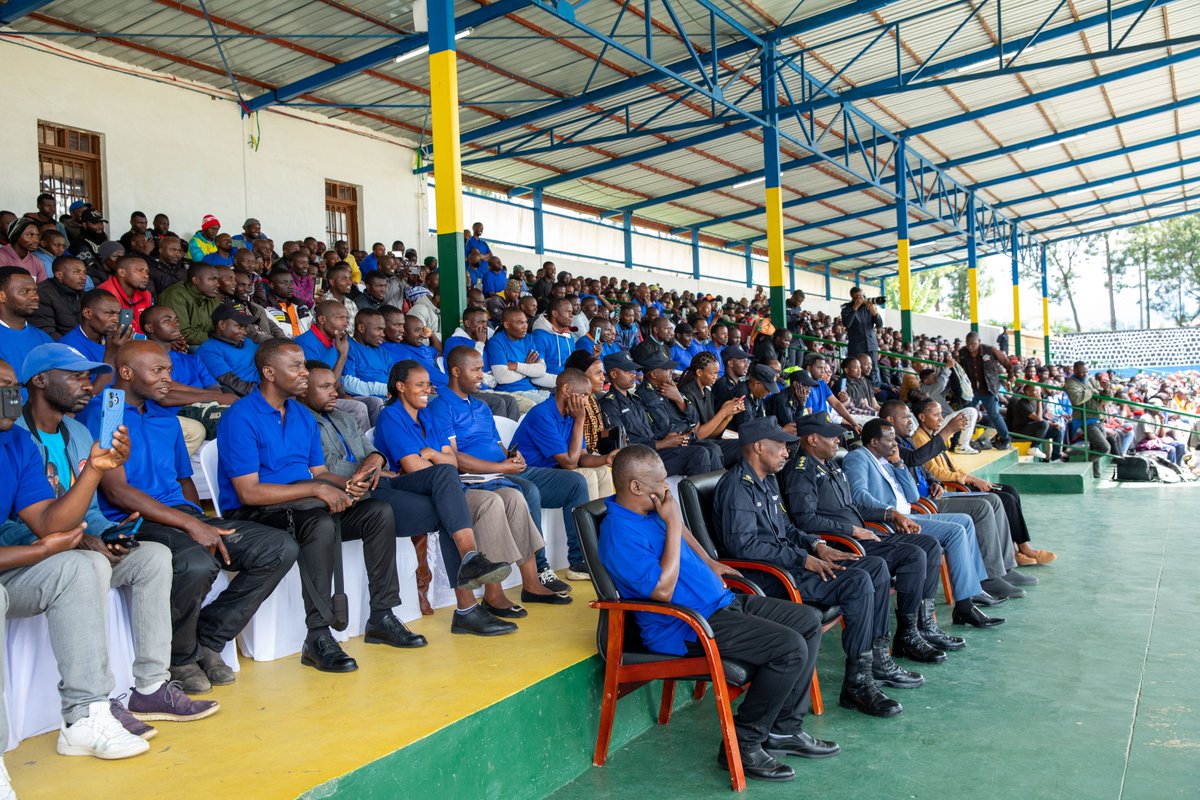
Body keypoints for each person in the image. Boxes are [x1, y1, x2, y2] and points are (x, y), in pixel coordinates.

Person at [9, 343, 218, 736]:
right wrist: (81, 540)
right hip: (33, 557)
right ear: (39, 381)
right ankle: (90, 707)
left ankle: (152, 686)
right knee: (84, 563)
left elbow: (88, 509)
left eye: (88, 375)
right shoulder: (16, 436)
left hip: (75, 541)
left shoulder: (77, 430)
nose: (87, 385)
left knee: (154, 556)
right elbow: (17, 520)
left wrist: (106, 533)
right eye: (75, 376)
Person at [600, 445, 832, 782]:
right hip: (685, 627)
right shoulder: (619, 532)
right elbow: (661, 591)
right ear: (636, 487)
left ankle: (784, 729)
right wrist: (672, 522)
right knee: (789, 648)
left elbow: (682, 532)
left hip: (720, 603)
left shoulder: (652, 511)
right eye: (661, 481)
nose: (667, 487)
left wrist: (709, 562)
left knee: (807, 620)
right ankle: (744, 743)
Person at [216, 340, 422, 673]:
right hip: (258, 513)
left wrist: (351, 483)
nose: (304, 373)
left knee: (377, 512)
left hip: (304, 502)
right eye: (295, 366)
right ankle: (318, 635)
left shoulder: (300, 414)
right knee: (318, 521)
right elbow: (248, 492)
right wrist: (317, 489)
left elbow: (320, 473)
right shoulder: (240, 416)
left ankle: (381, 615)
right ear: (269, 373)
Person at [0, 357, 153, 774]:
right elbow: (44, 539)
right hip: (15, 560)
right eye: (1, 386)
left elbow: (49, 521)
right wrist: (41, 550)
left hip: (14, 568)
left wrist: (95, 470)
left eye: (11, 385)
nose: (9, 396)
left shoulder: (15, 442)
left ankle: (84, 716)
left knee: (84, 566)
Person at [713, 417, 919, 717]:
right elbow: (745, 548)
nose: (786, 452)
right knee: (858, 582)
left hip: (791, 564)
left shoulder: (767, 479)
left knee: (873, 567)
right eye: (781, 446)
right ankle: (858, 684)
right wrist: (803, 559)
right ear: (758, 447)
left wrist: (816, 545)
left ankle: (877, 658)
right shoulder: (737, 487)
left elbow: (787, 528)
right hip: (769, 578)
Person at [298, 359, 515, 632]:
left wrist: (375, 463)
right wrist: (369, 469)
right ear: (304, 390)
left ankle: (469, 578)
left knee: (445, 484)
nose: (334, 391)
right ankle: (468, 599)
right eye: (325, 386)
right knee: (445, 503)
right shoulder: (304, 422)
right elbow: (326, 468)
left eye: (334, 385)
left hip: (384, 482)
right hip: (355, 493)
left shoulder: (344, 417)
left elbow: (374, 454)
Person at [375, 361, 570, 619]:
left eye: (428, 384)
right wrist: (438, 460)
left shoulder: (428, 415)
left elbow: (451, 460)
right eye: (419, 385)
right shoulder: (391, 416)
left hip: (448, 484)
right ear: (400, 386)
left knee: (514, 496)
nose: (426, 390)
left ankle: (531, 582)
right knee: (491, 502)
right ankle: (494, 592)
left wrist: (432, 454)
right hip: (416, 491)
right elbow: (413, 467)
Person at [783, 413, 959, 640]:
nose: (838, 441)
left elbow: (853, 505)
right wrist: (853, 531)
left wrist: (891, 514)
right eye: (831, 436)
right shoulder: (801, 470)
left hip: (861, 536)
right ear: (812, 440)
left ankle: (922, 625)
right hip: (841, 544)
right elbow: (805, 520)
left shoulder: (831, 467)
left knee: (929, 544)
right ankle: (907, 636)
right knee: (913, 555)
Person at [429, 347, 589, 587]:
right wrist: (501, 466)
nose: (482, 375)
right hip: (478, 477)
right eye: (476, 370)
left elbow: (499, 446)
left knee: (576, 482)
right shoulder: (441, 406)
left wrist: (514, 458)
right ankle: (541, 569)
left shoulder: (482, 407)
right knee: (529, 490)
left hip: (504, 470)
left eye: (481, 369)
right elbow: (454, 457)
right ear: (455, 371)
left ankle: (578, 560)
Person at [842, 419, 998, 618]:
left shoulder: (887, 461)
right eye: (890, 439)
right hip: (890, 522)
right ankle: (965, 605)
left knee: (965, 521)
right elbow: (859, 495)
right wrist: (891, 512)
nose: (894, 444)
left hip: (910, 514)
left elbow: (913, 496)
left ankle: (974, 589)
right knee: (955, 530)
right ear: (873, 442)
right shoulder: (858, 458)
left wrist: (899, 463)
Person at [879, 399, 1033, 591]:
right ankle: (989, 577)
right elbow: (913, 459)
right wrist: (948, 431)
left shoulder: (906, 439)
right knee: (983, 506)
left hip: (936, 494)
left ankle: (1006, 568)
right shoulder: (888, 444)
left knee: (995, 500)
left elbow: (924, 469)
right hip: (924, 504)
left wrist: (935, 482)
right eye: (905, 418)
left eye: (910, 417)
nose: (910, 421)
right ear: (889, 420)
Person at [911, 396, 1055, 569]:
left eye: (941, 414)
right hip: (953, 488)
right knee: (1004, 499)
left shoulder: (933, 435)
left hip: (961, 481)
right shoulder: (919, 438)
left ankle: (1018, 547)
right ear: (922, 417)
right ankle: (1021, 549)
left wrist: (974, 477)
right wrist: (970, 479)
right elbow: (935, 472)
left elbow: (953, 466)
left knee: (1010, 491)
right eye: (936, 415)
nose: (941, 418)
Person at [599, 352, 719, 477]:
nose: (633, 374)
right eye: (628, 371)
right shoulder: (609, 404)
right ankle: (701, 495)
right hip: (639, 459)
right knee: (699, 454)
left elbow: (651, 430)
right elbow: (622, 446)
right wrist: (662, 443)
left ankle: (715, 494)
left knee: (711, 448)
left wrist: (670, 436)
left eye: (633, 370)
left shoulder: (635, 400)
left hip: (655, 450)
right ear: (613, 374)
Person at [139, 306, 232, 455]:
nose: (176, 324)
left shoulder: (192, 359)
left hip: (205, 411)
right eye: (167, 320)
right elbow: (165, 397)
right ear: (150, 327)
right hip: (170, 417)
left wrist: (179, 388)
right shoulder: (143, 360)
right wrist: (218, 397)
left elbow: (214, 389)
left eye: (176, 320)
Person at [677, 350, 743, 467]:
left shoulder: (707, 392)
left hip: (708, 441)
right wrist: (723, 412)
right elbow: (699, 435)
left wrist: (728, 415)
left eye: (717, 373)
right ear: (699, 372)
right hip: (693, 444)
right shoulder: (687, 392)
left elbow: (712, 433)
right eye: (712, 373)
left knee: (744, 444)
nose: (715, 377)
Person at [0, 268, 54, 397]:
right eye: (24, 292)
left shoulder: (45, 340)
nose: (34, 297)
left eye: (35, 291)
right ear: (2, 296)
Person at [485, 306, 554, 407]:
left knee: (562, 401)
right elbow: (502, 377)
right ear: (507, 325)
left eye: (526, 322)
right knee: (549, 407)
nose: (525, 326)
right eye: (520, 323)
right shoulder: (496, 342)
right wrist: (527, 369)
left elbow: (541, 370)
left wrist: (516, 366)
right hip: (512, 393)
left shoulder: (528, 339)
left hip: (532, 389)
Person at [958, 331, 1012, 450]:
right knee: (965, 414)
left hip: (988, 389)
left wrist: (1011, 376)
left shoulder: (990, 350)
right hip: (970, 390)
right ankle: (957, 441)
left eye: (973, 343)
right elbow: (959, 369)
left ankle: (1006, 440)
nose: (970, 346)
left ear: (979, 342)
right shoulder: (962, 353)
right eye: (968, 343)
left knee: (994, 415)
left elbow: (1007, 362)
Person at [916, 358, 980, 454]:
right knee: (971, 411)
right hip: (936, 425)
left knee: (967, 413)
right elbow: (940, 385)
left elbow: (944, 386)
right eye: (933, 378)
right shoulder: (925, 390)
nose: (936, 379)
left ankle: (961, 444)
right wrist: (946, 368)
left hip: (943, 420)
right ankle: (963, 446)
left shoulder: (931, 389)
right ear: (925, 380)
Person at [197, 305, 261, 397]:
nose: (244, 332)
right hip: (251, 397)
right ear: (222, 325)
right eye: (239, 326)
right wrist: (266, 392)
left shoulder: (247, 341)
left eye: (245, 327)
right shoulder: (209, 350)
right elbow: (231, 382)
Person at [1064, 362, 1113, 476]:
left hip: (1098, 417)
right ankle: (1084, 465)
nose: (1084, 374)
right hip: (1085, 419)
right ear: (1074, 370)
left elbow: (1104, 401)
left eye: (1086, 371)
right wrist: (1091, 391)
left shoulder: (1091, 380)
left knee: (1095, 447)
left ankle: (1095, 474)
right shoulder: (1071, 383)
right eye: (1081, 372)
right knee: (1104, 447)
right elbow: (1076, 399)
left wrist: (1106, 391)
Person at [160, 263, 224, 346]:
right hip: (185, 345)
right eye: (212, 279)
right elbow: (182, 333)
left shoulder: (212, 296)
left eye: (217, 280)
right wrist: (218, 339)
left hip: (208, 340)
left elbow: (220, 326)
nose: (218, 284)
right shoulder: (176, 295)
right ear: (196, 280)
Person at [30, 255, 88, 339]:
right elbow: (47, 332)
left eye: (84, 272)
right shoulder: (43, 294)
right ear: (59, 275)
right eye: (77, 272)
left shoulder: (81, 293)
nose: (84, 277)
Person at [840, 288, 882, 386]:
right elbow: (847, 324)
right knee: (856, 370)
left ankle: (873, 391)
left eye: (863, 296)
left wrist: (873, 311)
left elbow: (879, 324)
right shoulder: (847, 308)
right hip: (857, 346)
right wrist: (855, 307)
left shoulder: (868, 307)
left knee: (873, 369)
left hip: (871, 345)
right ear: (853, 297)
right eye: (858, 297)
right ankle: (858, 390)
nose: (861, 298)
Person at [530, 296, 576, 377]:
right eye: (568, 312)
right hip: (547, 384)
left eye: (571, 312)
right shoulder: (539, 336)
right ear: (555, 313)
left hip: (568, 380)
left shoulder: (568, 336)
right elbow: (537, 371)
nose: (571, 315)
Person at [0, 217, 48, 282]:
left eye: (37, 236)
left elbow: (43, 288)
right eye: (29, 235)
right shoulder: (2, 256)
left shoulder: (36, 262)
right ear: (16, 236)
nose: (35, 240)